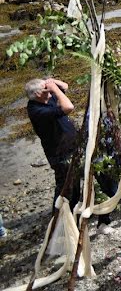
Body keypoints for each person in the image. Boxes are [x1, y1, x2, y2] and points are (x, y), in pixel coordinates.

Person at [25, 77, 78, 208]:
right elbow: (69, 107)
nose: (50, 90)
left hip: (71, 145)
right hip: (59, 153)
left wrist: (51, 81)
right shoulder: (36, 109)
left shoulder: (47, 97)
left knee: (75, 181)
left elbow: (65, 86)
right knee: (65, 185)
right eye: (46, 89)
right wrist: (54, 89)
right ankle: (58, 214)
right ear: (38, 94)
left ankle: (73, 210)